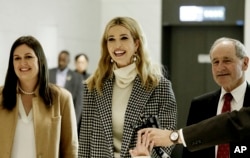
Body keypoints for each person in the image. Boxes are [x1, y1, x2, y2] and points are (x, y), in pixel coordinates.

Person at [78, 16, 177, 158]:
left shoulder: (160, 87)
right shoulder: (93, 86)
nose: (117, 45)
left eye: (124, 38)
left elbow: (168, 141)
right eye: (111, 39)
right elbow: (85, 142)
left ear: (136, 44)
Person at [0, 35, 78, 157]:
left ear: (40, 60)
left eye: (28, 57)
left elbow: (70, 150)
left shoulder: (62, 98)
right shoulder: (1, 96)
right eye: (17, 58)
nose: (22, 63)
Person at [182, 37, 250, 158]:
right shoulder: (199, 105)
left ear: (245, 63)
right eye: (215, 62)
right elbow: (189, 153)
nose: (220, 68)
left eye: (227, 61)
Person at [49, 50, 83, 132]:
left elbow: (79, 102)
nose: (61, 62)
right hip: (49, 114)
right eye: (60, 59)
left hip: (67, 115)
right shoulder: (48, 73)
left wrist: (75, 121)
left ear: (69, 61)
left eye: (64, 60)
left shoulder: (77, 77)